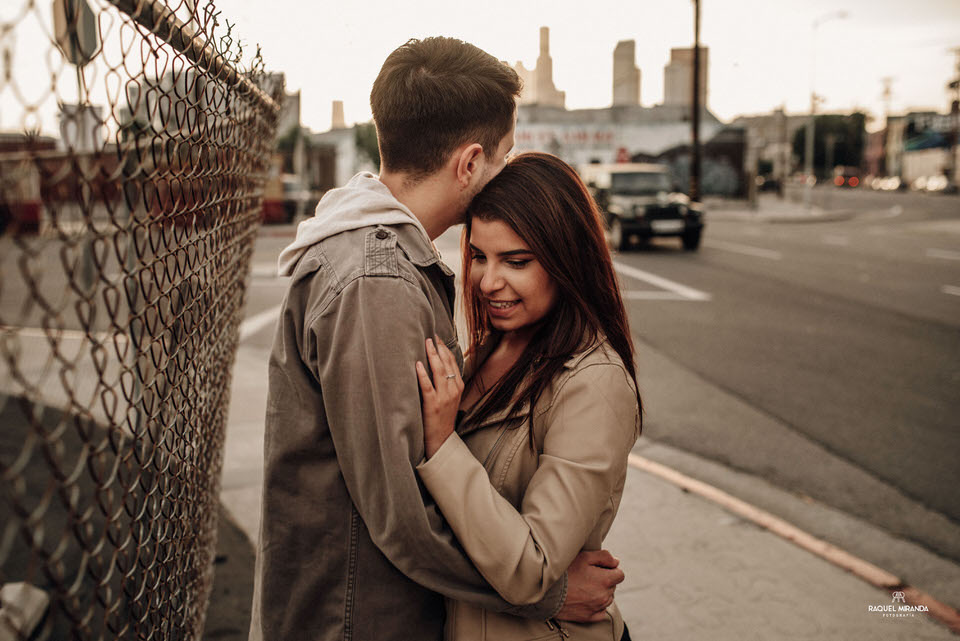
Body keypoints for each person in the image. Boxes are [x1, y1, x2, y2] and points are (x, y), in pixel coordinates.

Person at [250, 38, 624, 641]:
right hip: (357, 619)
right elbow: (402, 516)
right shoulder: (378, 281)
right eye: (502, 157)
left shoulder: (376, 254)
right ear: (470, 162)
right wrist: (547, 594)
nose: (505, 173)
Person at [414, 152, 643, 641]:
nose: (488, 281)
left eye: (516, 261)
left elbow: (531, 568)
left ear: (567, 260)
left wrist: (441, 445)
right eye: (479, 256)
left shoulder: (593, 384)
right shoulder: (487, 350)